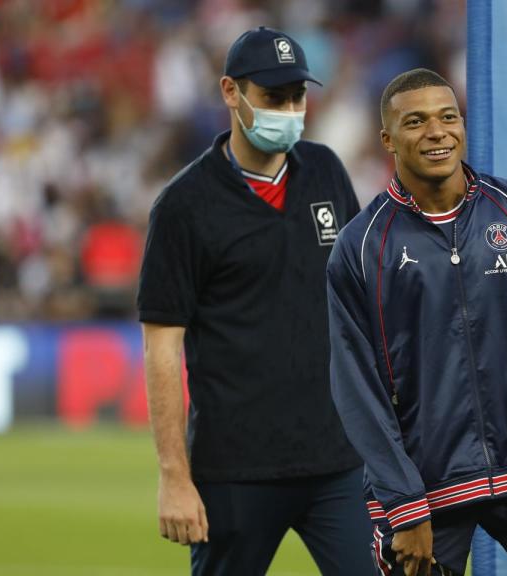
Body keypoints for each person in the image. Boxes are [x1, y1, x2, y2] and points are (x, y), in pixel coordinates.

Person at [326, 68, 507, 576]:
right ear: (387, 139)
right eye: (415, 122)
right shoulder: (361, 246)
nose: (436, 132)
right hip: (423, 486)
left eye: (447, 117)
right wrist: (403, 502)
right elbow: (357, 387)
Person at [137, 26, 373, 575]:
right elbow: (161, 350)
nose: (289, 110)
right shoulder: (183, 207)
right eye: (272, 97)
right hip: (235, 470)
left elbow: (363, 307)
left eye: (297, 96)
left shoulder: (327, 172)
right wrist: (174, 476)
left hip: (337, 460)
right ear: (229, 92)